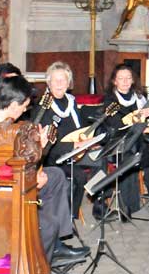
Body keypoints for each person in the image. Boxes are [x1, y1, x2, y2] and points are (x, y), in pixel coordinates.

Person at [0, 75, 89, 264]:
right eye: (24, 106)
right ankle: (39, 260)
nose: (25, 110)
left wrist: (40, 149)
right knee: (47, 223)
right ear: (14, 105)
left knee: (55, 175)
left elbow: (8, 163)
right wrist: (34, 172)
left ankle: (55, 245)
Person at [92, 64, 149, 218]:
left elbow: (146, 116)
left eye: (128, 78)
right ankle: (127, 207)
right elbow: (116, 125)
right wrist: (143, 129)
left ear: (132, 80)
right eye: (121, 78)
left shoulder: (138, 97)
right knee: (129, 158)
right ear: (114, 81)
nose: (125, 81)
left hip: (136, 139)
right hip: (116, 143)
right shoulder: (110, 101)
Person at [36, 62, 100, 218]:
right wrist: (74, 145)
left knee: (101, 159)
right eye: (55, 80)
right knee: (79, 176)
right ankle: (69, 218)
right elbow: (47, 143)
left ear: (68, 83)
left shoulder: (71, 102)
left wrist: (88, 141)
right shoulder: (42, 106)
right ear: (48, 83)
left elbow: (81, 127)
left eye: (63, 80)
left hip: (76, 152)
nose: (59, 83)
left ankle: (99, 202)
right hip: (54, 157)